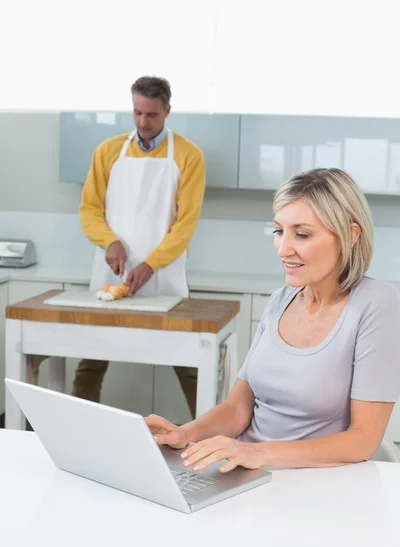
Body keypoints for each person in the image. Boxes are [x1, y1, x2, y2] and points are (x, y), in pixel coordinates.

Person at [145, 167, 400, 472]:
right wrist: (185, 433)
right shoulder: (281, 299)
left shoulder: (376, 305)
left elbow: (364, 440)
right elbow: (238, 408)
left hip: (311, 483)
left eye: (301, 234)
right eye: (279, 231)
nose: (283, 248)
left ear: (350, 236)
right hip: (244, 471)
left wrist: (257, 454)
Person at [22, 77, 206, 417]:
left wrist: (151, 265)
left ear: (167, 111)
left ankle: (208, 438)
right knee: (92, 359)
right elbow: (89, 209)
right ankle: (79, 429)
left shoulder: (188, 156)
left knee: (187, 363)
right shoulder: (107, 152)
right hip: (111, 273)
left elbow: (186, 224)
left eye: (151, 115)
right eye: (136, 112)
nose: (142, 122)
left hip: (164, 277)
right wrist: (111, 242)